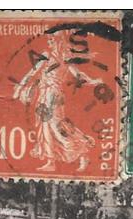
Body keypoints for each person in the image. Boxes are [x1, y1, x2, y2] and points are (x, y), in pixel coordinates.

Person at [12, 33, 101, 172]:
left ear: (59, 41)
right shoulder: (46, 54)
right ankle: (51, 161)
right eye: (49, 40)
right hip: (43, 94)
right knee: (45, 127)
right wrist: (20, 87)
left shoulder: (65, 59)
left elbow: (78, 75)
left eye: (52, 40)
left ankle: (82, 151)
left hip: (54, 95)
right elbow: (32, 72)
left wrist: (92, 81)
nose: (50, 42)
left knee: (56, 126)